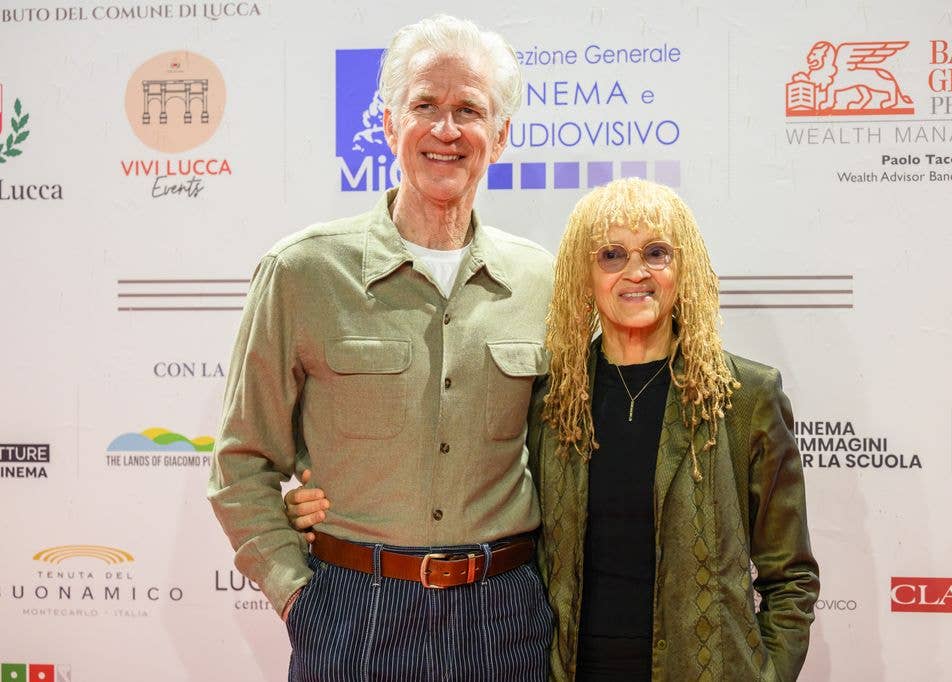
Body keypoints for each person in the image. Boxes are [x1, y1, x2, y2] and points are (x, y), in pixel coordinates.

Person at [290, 178, 819, 681]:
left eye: (656, 253)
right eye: (612, 255)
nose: (636, 272)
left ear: (686, 270)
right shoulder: (553, 399)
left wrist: (765, 675)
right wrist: (328, 492)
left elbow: (790, 577)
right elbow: (470, 473)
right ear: (583, 276)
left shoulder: (744, 397)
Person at [208, 15, 553, 682]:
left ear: (501, 137)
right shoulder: (301, 272)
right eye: (424, 105)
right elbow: (241, 461)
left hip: (506, 616)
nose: (446, 130)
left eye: (469, 110)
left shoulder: (543, 281)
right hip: (351, 612)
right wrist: (298, 595)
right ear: (390, 124)